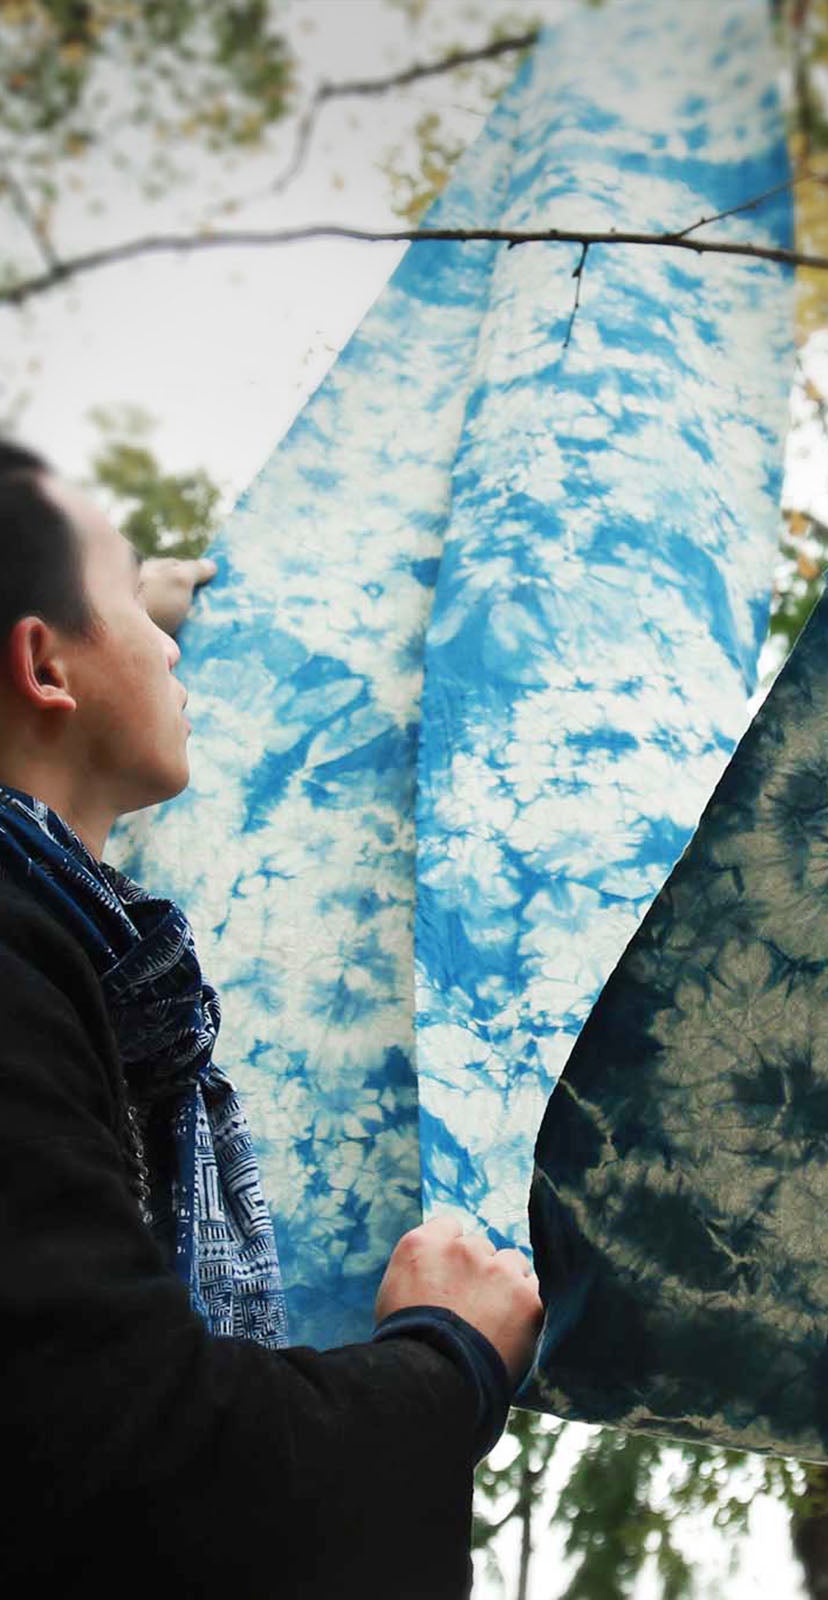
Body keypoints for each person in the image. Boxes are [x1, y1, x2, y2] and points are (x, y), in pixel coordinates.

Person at [0, 439, 545, 1598]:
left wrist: (119, 610)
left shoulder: (72, 957)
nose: (164, 638)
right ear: (45, 667)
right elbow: (152, 1467)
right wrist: (448, 1360)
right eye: (124, 599)